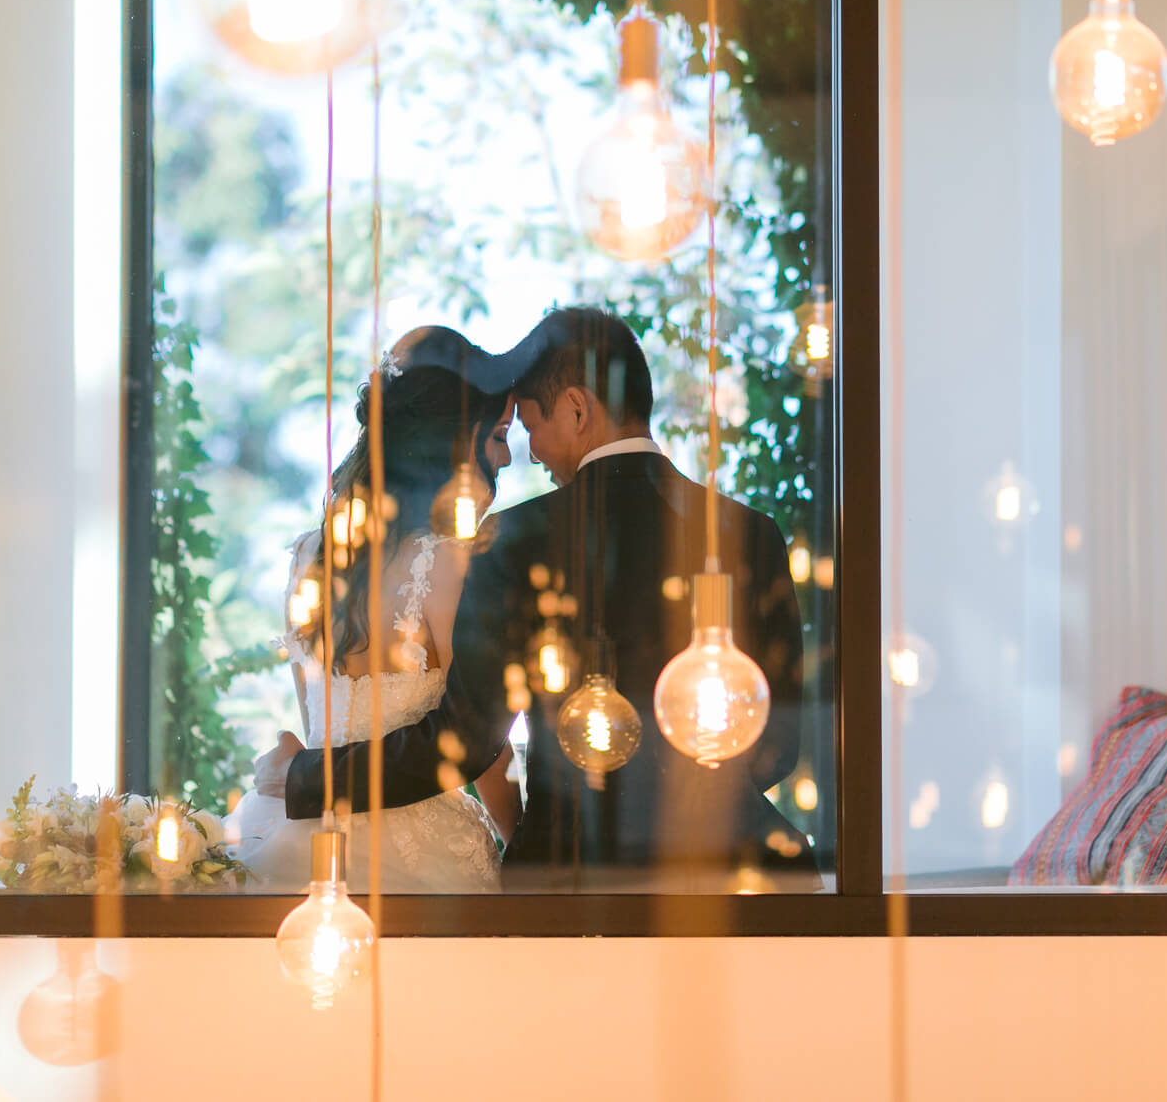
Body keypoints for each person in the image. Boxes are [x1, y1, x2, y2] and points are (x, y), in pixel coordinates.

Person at [257, 306, 814, 889]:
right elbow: (778, 745)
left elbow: (466, 739)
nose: (529, 453)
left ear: (577, 409)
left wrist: (305, 778)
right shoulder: (751, 532)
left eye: (527, 427)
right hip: (738, 873)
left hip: (571, 872)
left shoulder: (512, 541)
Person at [224, 326, 534, 893]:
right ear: (455, 442)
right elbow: (476, 742)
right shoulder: (455, 566)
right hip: (426, 863)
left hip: (302, 837)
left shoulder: (307, 558)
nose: (507, 457)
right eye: (497, 435)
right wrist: (522, 845)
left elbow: (318, 725)